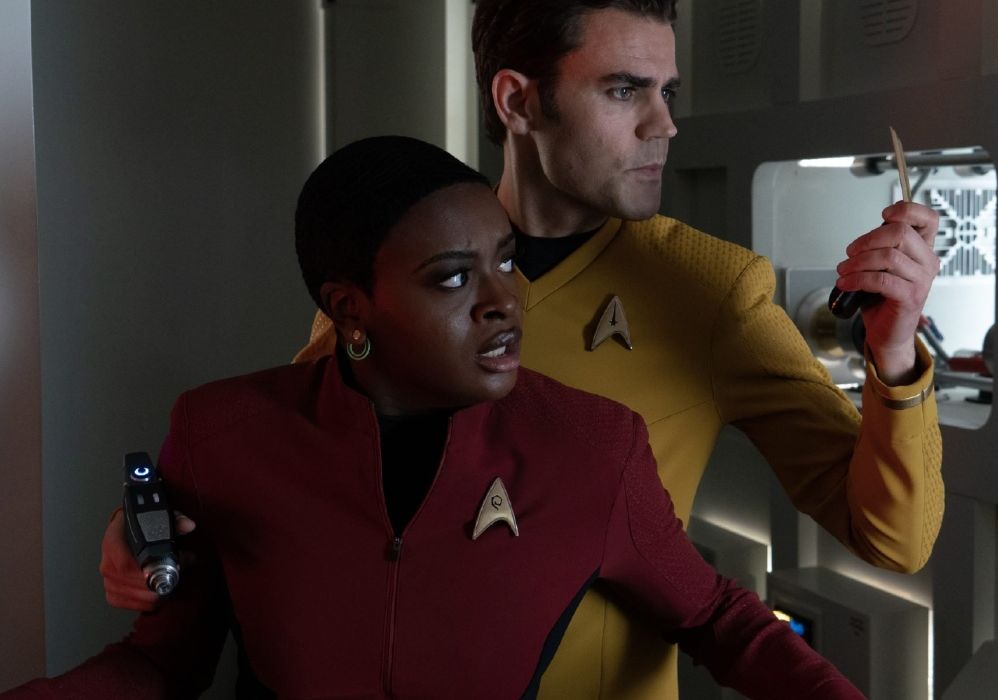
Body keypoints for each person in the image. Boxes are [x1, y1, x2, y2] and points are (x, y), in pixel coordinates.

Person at [99, 1, 945, 697]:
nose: (664, 125)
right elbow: (293, 477)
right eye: (624, 89)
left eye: (668, 92)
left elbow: (894, 541)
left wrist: (896, 353)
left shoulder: (712, 290)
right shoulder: (397, 260)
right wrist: (155, 536)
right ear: (517, 101)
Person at [3, 136, 865, 699]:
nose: (504, 303)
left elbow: (716, 617)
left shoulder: (593, 445)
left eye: (505, 263)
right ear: (350, 309)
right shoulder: (220, 434)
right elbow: (160, 664)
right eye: (453, 278)